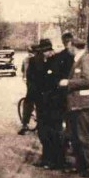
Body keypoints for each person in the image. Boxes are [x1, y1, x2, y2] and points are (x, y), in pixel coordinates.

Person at [59, 36, 89, 177]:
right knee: (77, 136)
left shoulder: (85, 60)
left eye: (69, 46)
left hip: (84, 104)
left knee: (85, 136)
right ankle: (81, 166)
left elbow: (86, 80)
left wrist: (68, 82)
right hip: (78, 104)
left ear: (73, 46)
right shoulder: (80, 60)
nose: (68, 49)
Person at [29, 38, 65, 169]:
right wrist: (33, 98)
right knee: (43, 132)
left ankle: (57, 161)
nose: (47, 53)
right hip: (41, 103)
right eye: (44, 51)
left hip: (54, 104)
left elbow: (58, 82)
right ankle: (46, 158)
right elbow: (31, 81)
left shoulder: (58, 62)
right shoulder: (34, 62)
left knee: (55, 131)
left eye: (48, 51)